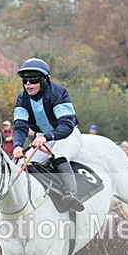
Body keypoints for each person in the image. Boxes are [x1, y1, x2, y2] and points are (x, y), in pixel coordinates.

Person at [12, 57, 85, 212]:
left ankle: (72, 195)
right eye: (25, 81)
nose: (28, 85)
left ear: (44, 80)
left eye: (32, 81)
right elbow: (20, 126)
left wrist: (46, 137)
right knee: (21, 164)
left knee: (59, 155)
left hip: (67, 135)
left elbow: (66, 125)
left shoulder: (58, 93)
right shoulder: (22, 98)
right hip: (42, 137)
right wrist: (17, 145)